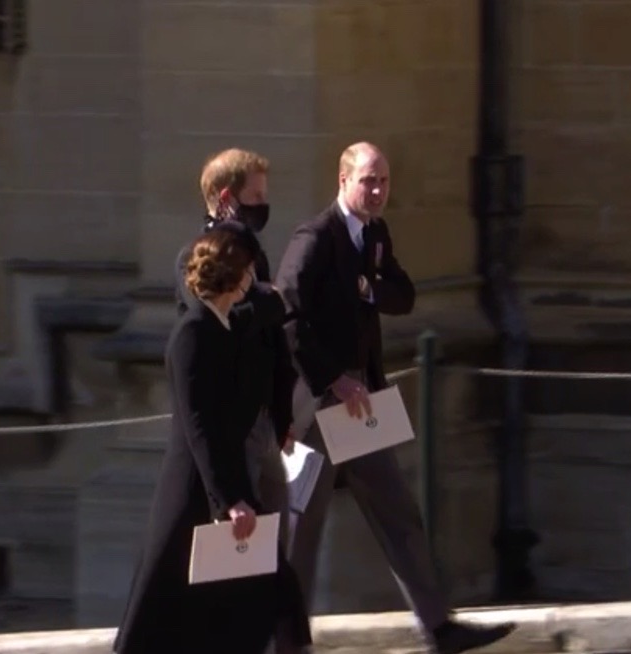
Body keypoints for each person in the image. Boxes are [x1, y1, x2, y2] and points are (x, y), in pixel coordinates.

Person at [275, 142, 515, 654]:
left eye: (384, 181)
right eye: (368, 181)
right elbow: (286, 316)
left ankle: (438, 627)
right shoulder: (315, 237)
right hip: (320, 402)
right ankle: (286, 642)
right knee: (302, 528)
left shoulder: (376, 235)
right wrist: (332, 378)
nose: (378, 190)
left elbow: (403, 296)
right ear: (342, 180)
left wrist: (368, 288)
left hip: (363, 401)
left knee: (398, 512)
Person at [114, 229, 311, 654]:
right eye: (249, 271)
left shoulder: (223, 327)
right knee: (164, 612)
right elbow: (199, 427)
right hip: (194, 493)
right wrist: (230, 500)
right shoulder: (193, 333)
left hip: (228, 482)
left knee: (270, 591)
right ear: (236, 276)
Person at [174, 148, 297, 547]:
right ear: (228, 198)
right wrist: (265, 302)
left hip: (263, 417)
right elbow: (225, 319)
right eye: (256, 198)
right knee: (243, 540)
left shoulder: (252, 256)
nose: (263, 207)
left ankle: (280, 609)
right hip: (234, 422)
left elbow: (272, 329)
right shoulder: (194, 258)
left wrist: (283, 411)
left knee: (276, 532)